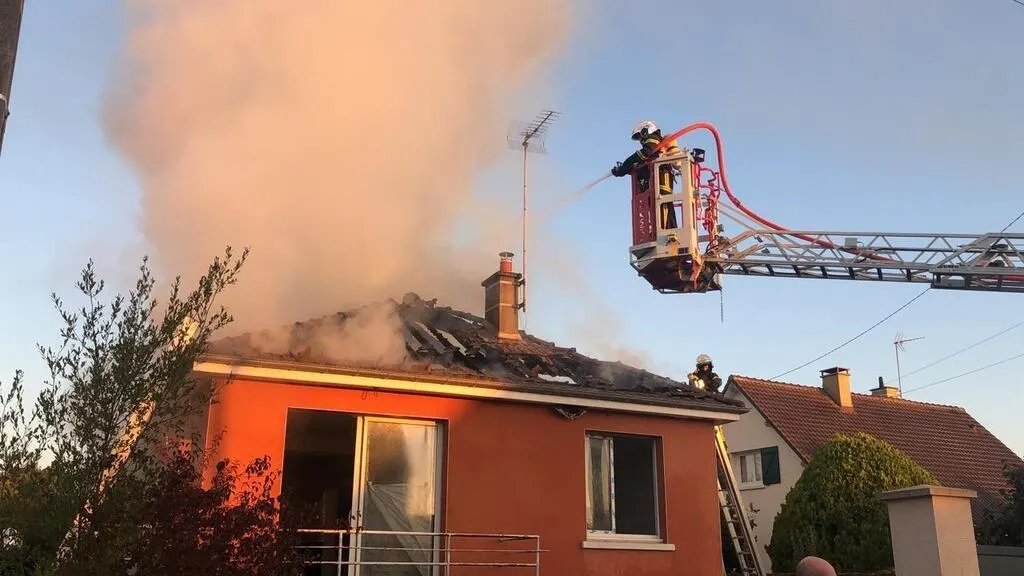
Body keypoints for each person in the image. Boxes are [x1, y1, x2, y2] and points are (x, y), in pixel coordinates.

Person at [610, 120, 683, 229]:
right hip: (658, 181)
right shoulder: (656, 143)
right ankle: (669, 231)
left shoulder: (653, 138)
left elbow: (645, 152)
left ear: (646, 131)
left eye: (640, 136)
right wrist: (626, 168)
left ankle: (667, 232)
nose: (640, 140)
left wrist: (624, 167)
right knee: (662, 209)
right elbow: (644, 159)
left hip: (661, 180)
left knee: (663, 209)